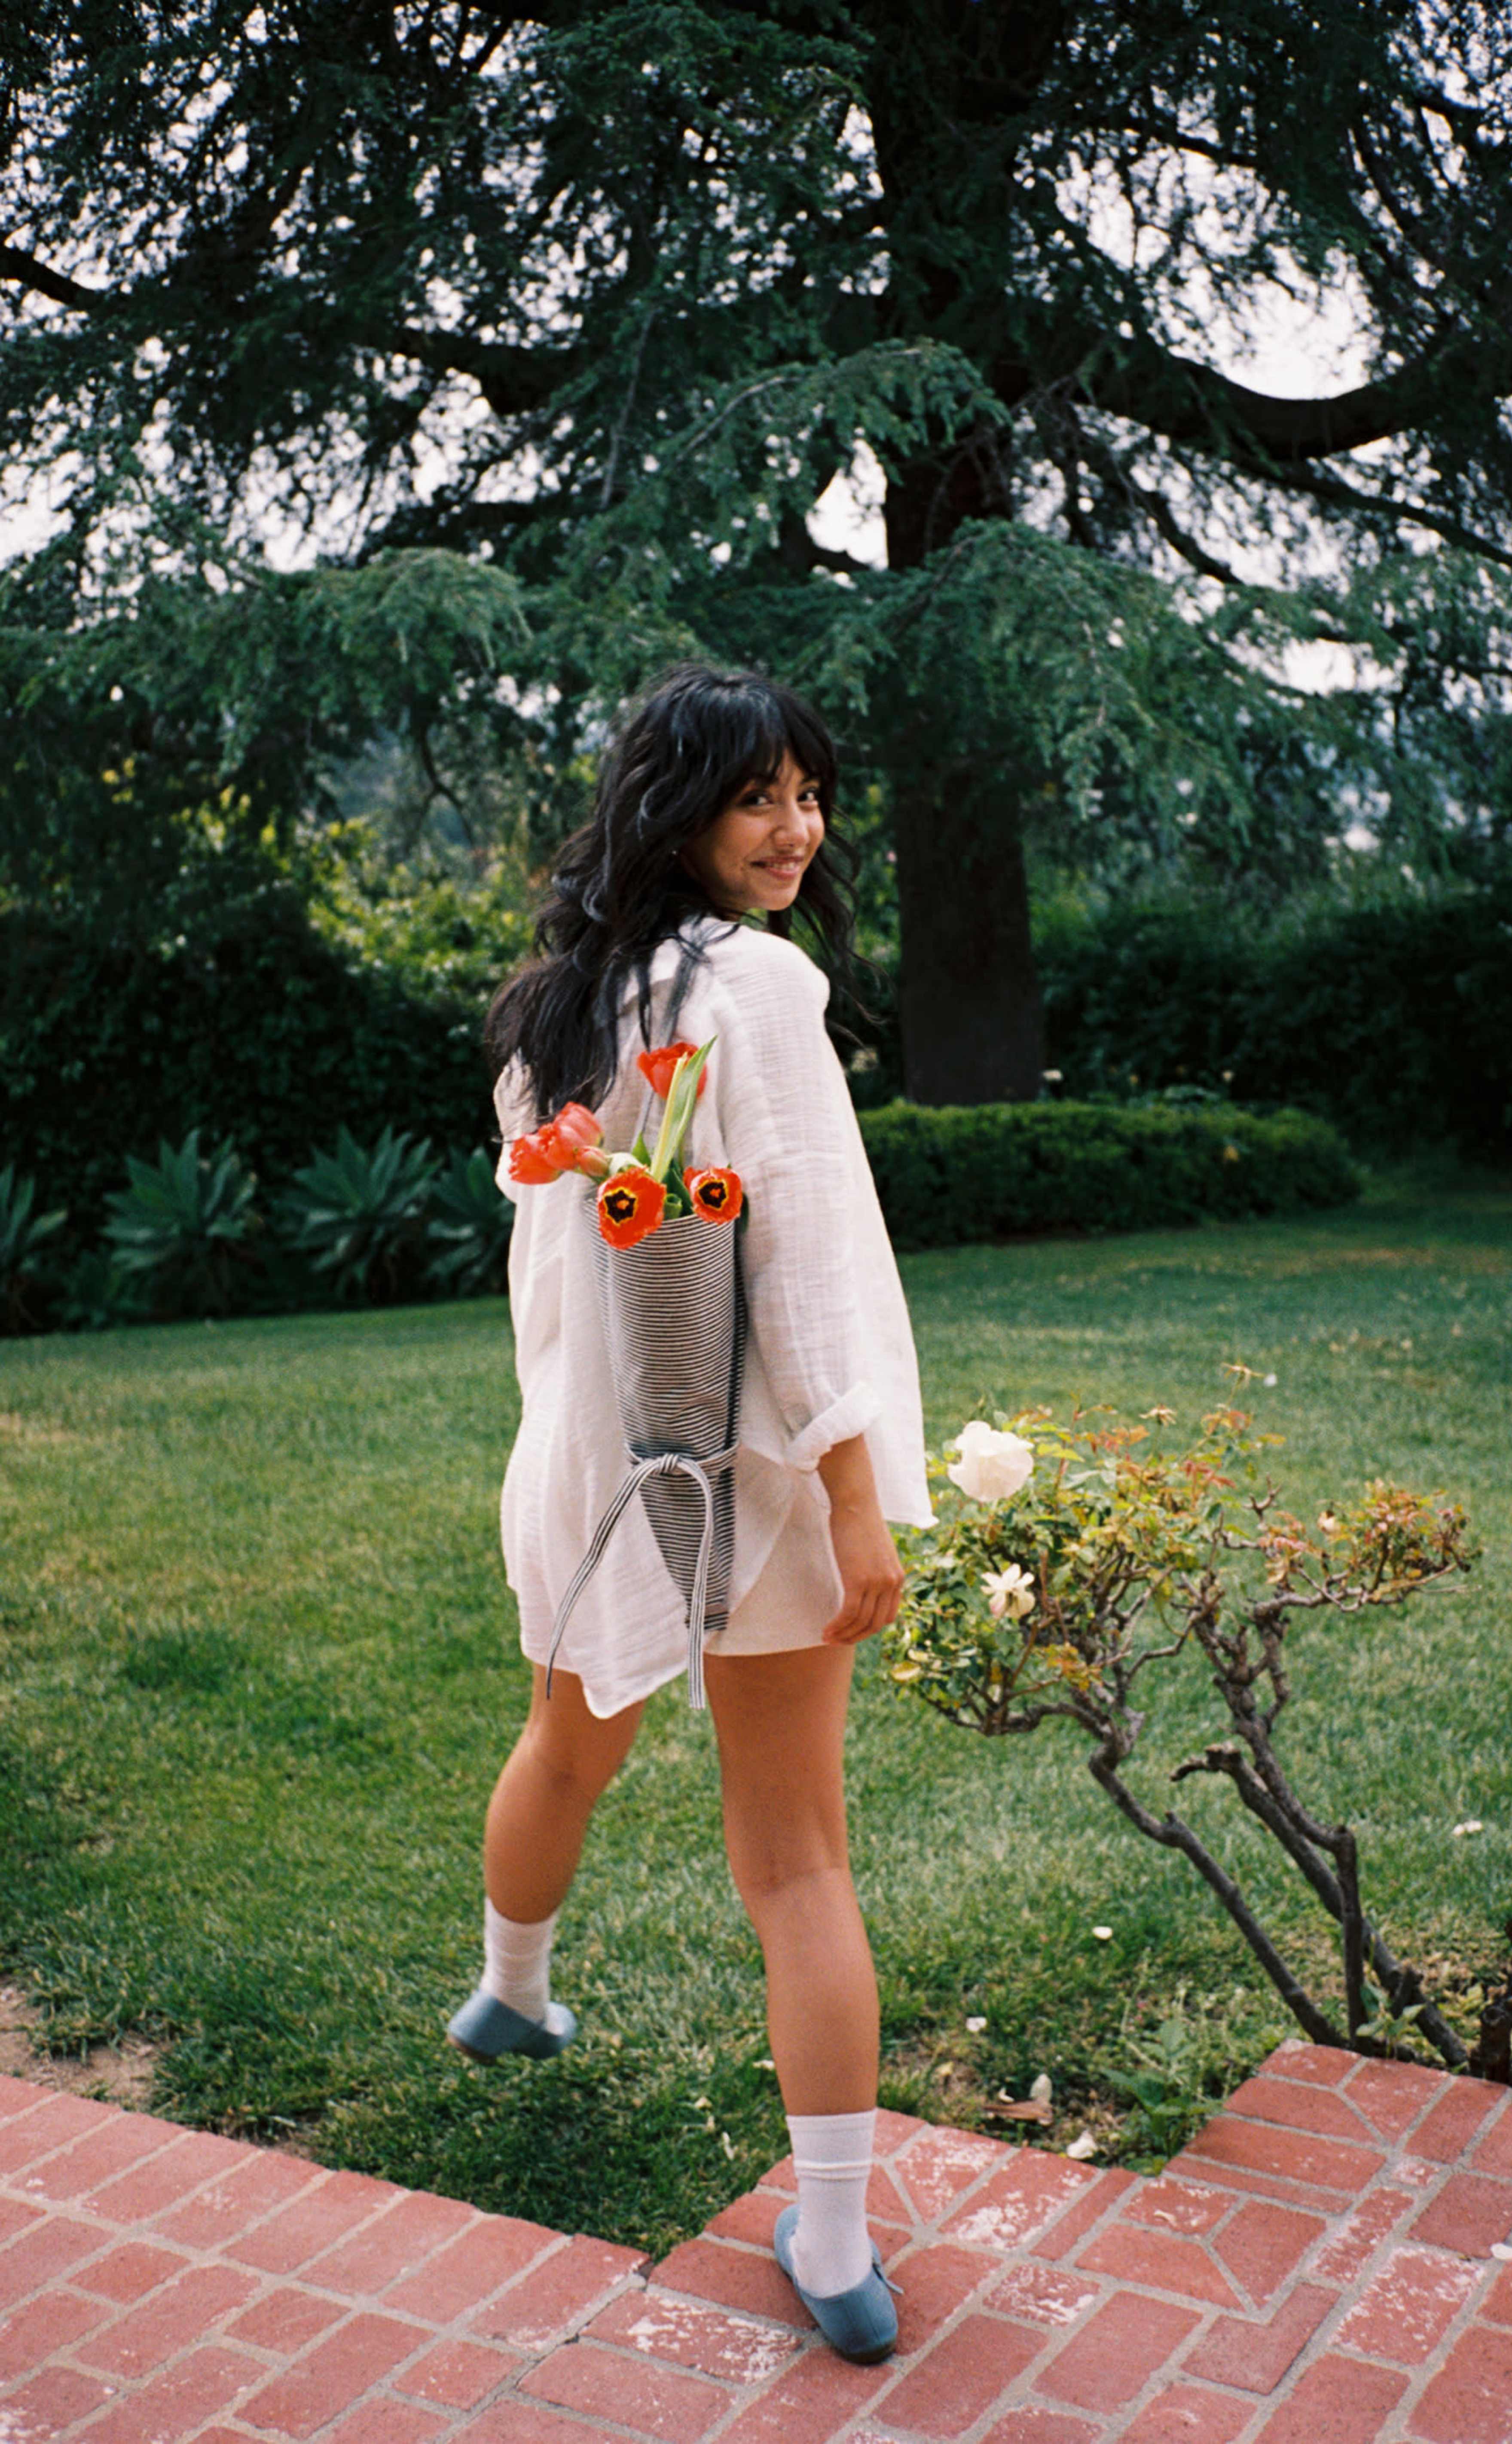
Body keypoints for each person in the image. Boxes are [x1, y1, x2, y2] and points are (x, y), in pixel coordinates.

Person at [446, 664, 934, 2364]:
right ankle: (836, 2235)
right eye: (760, 799)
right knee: (796, 1856)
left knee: (565, 1748)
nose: (798, 828)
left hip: (595, 1470)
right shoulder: (760, 991)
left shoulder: (551, 1007)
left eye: (809, 791)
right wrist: (864, 1503)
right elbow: (811, 1279)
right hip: (767, 1486)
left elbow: (549, 1283)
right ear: (683, 813)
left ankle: (511, 1991)